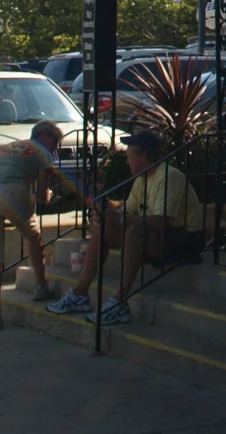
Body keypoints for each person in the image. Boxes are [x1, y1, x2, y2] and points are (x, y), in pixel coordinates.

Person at [49, 129, 203, 324]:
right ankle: (79, 294)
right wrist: (108, 215)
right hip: (159, 235)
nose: (127, 161)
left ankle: (119, 303)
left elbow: (160, 220)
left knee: (134, 232)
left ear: (143, 156)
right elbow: (129, 211)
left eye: (129, 156)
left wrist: (120, 220)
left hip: (183, 239)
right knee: (105, 227)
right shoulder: (142, 178)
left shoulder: (169, 176)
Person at [0, 119, 86, 331]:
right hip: (11, 190)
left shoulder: (11, 147)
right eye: (55, 141)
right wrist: (48, 195)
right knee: (33, 236)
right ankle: (40, 285)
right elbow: (43, 195)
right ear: (45, 136)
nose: (55, 146)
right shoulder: (43, 153)